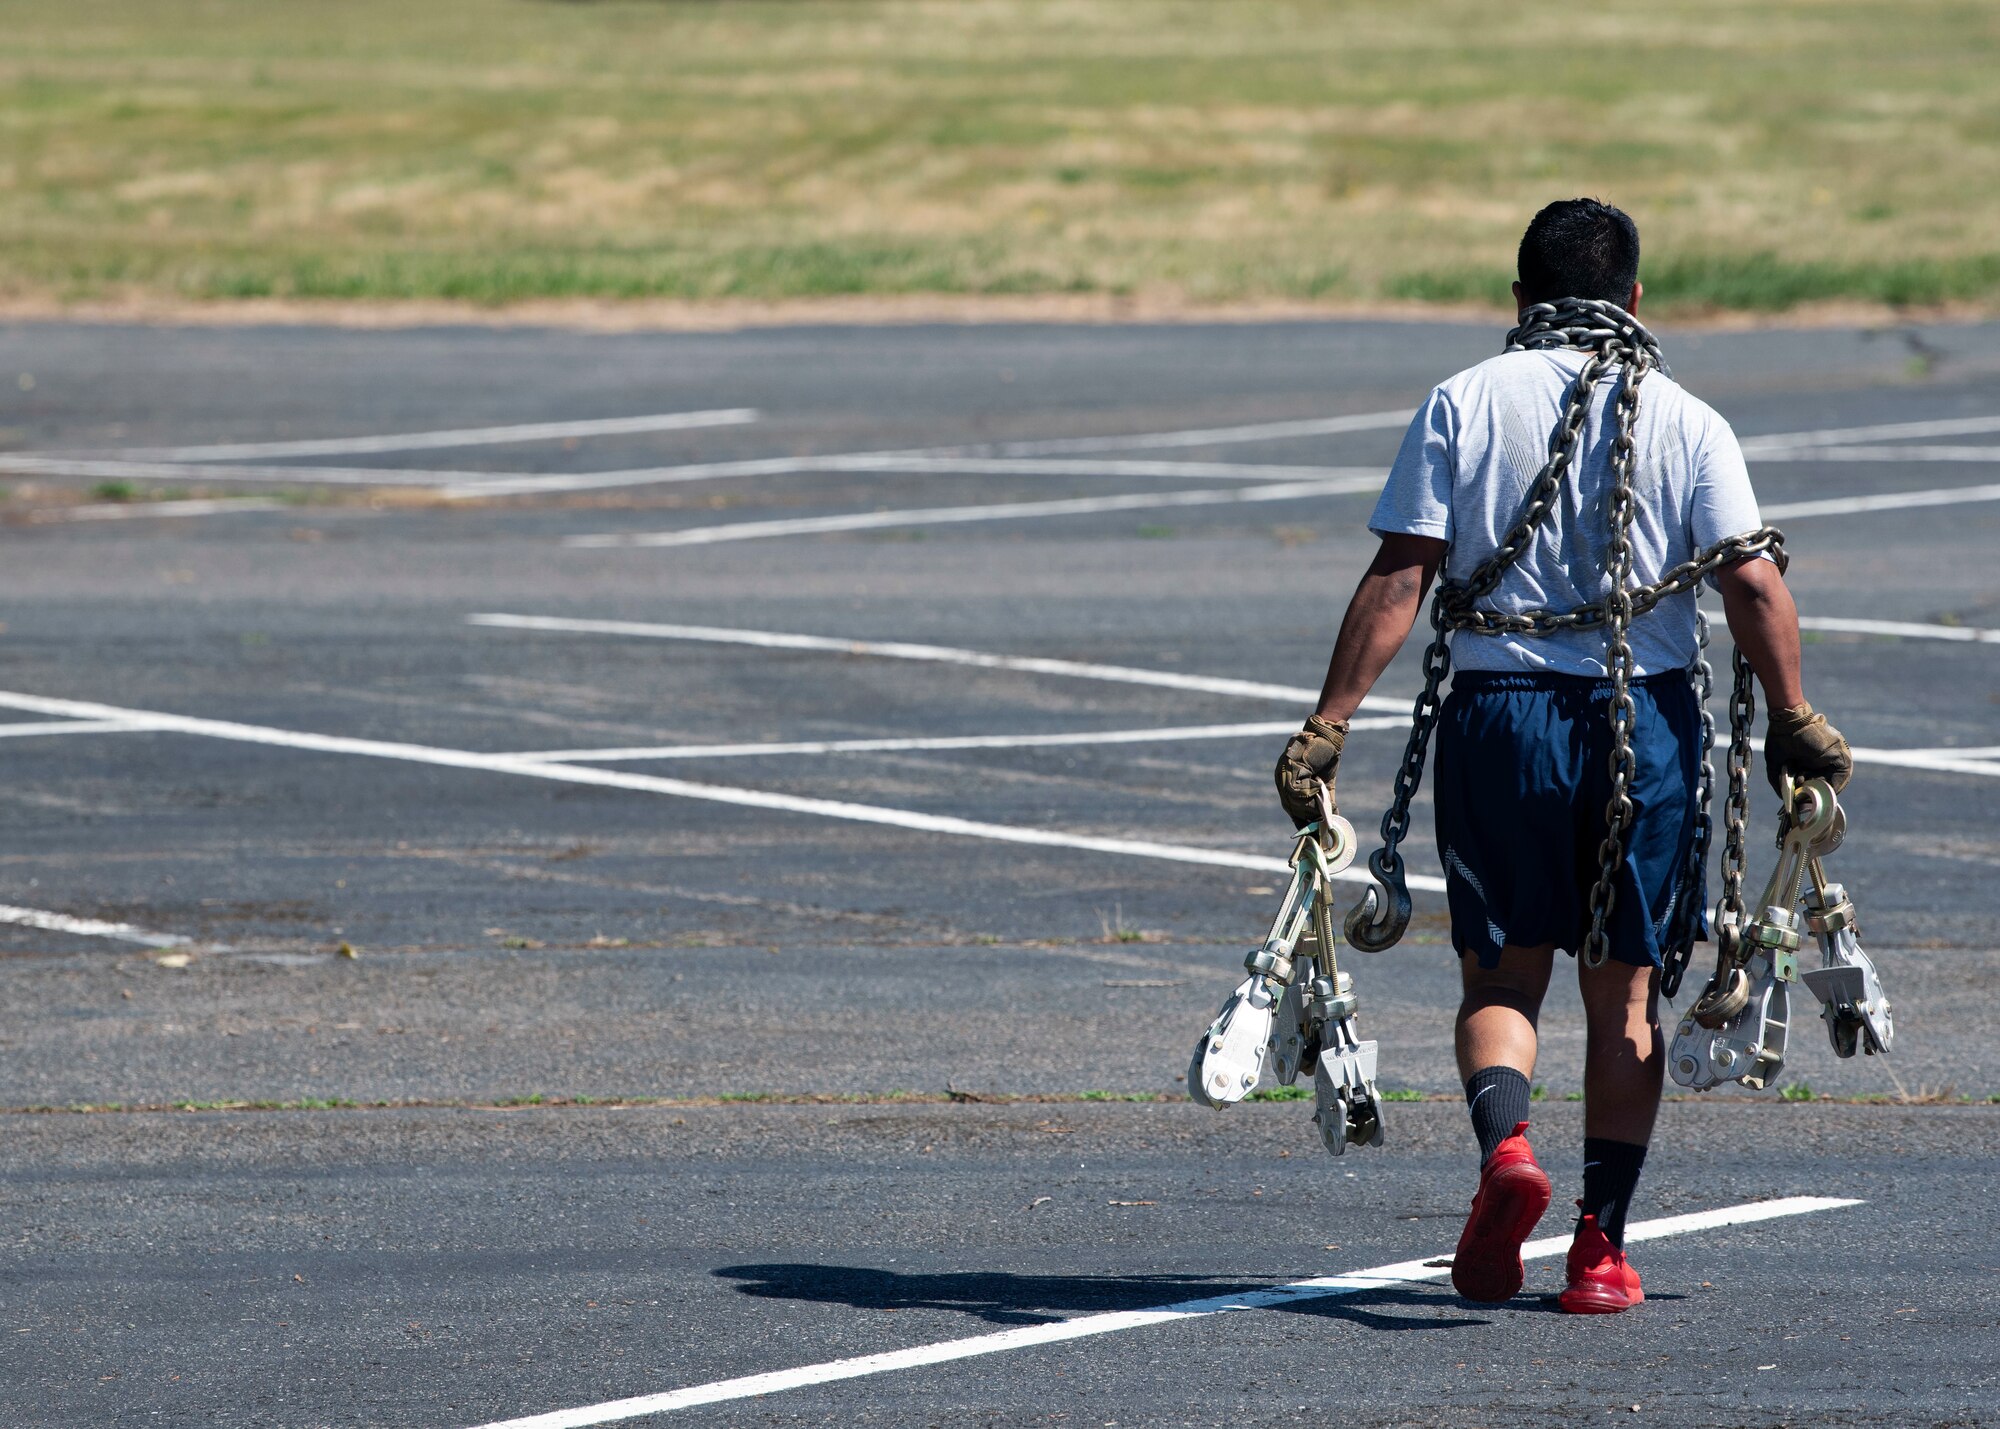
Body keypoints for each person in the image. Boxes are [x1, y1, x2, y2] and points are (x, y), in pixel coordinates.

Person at [1272, 198, 1853, 1314]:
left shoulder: (1460, 401)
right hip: (1646, 728)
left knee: (1499, 974)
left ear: (1518, 301)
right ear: (1634, 300)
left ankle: (1505, 1158)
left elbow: (1400, 576)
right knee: (1625, 990)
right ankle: (1596, 1247)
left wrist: (1327, 722)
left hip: (1496, 722)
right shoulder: (1686, 415)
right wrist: (1791, 716)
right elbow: (1748, 581)